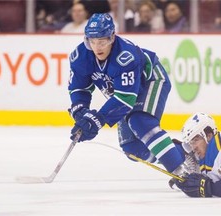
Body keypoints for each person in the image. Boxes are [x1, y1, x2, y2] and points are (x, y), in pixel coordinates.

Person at [68, 13, 191, 176]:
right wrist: (80, 111)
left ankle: (183, 173)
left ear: (112, 37)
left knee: (140, 121)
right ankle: (185, 153)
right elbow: (79, 88)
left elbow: (125, 99)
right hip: (123, 94)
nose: (97, 47)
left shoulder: (126, 56)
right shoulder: (80, 56)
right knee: (132, 148)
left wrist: (97, 120)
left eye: (102, 41)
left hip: (152, 80)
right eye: (92, 41)